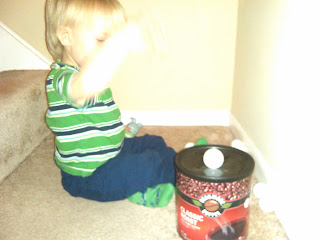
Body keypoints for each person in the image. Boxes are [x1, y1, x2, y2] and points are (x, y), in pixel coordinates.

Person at [44, 0, 175, 207]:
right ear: (66, 37)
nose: (107, 48)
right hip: (89, 176)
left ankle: (169, 166)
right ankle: (184, 174)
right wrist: (120, 44)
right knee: (149, 165)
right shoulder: (61, 79)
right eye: (101, 39)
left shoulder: (87, 75)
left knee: (154, 142)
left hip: (111, 151)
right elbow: (81, 90)